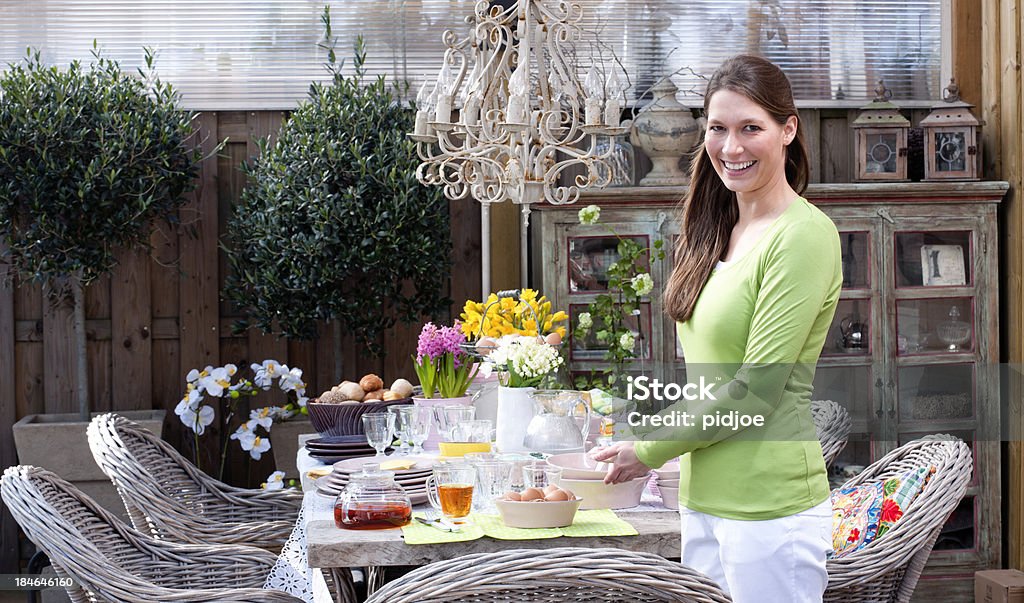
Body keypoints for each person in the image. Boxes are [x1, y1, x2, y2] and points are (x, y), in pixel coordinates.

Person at [592, 54, 841, 602]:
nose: (732, 148)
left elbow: (756, 388)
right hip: (702, 500)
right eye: (719, 129)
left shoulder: (802, 236)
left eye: (751, 128)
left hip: (770, 511)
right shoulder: (717, 228)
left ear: (788, 130)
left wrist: (650, 447)